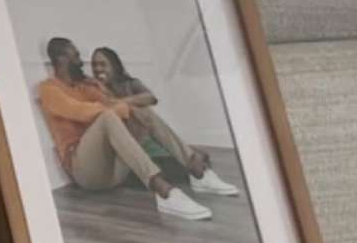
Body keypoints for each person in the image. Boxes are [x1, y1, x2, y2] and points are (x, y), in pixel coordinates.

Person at [34, 36, 212, 223]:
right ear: (62, 59)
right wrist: (113, 108)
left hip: (112, 172)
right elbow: (82, 112)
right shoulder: (49, 89)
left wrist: (101, 89)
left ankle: (196, 169)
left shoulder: (84, 86)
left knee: (140, 112)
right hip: (84, 172)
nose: (81, 61)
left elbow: (114, 104)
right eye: (76, 56)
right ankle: (164, 193)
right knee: (108, 117)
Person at [90, 44, 243, 203]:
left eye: (103, 64)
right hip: (127, 150)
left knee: (200, 157)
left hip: (146, 139)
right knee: (174, 167)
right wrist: (104, 92)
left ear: (114, 66)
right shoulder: (94, 89)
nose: (98, 68)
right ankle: (190, 168)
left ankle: (195, 167)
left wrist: (120, 102)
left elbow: (151, 98)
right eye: (94, 65)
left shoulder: (130, 83)